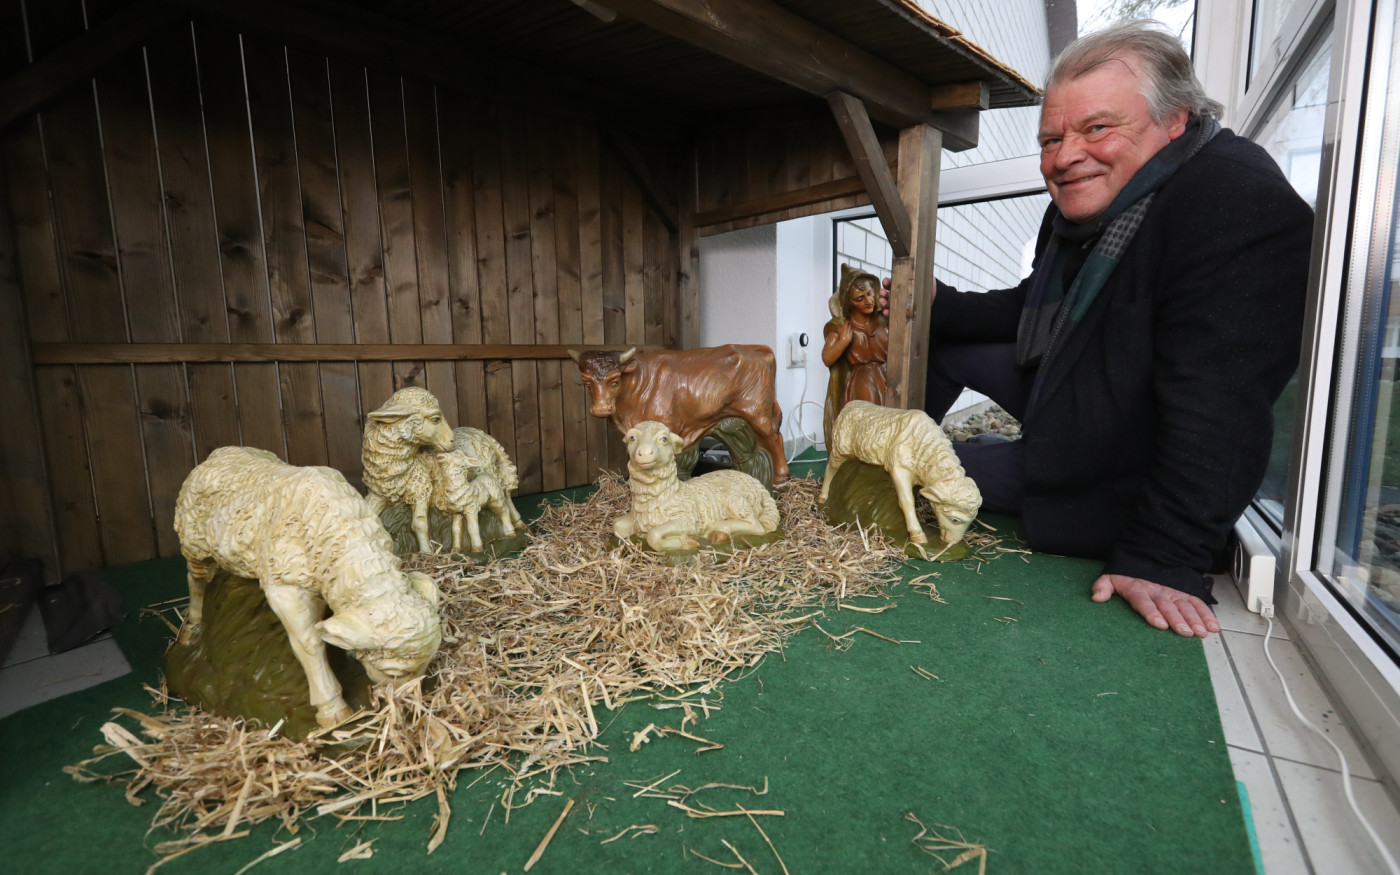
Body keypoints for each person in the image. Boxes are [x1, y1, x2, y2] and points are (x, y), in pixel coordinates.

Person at [885, 21, 1313, 637]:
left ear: (1176, 120)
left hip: (1118, 456)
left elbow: (1217, 400)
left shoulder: (1235, 199)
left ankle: (948, 462)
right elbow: (1035, 304)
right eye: (1051, 138)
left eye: (1096, 128)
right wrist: (941, 304)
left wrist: (1166, 552)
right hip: (1080, 388)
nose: (1062, 157)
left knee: (935, 468)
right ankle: (917, 445)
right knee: (942, 347)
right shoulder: (1090, 208)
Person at [822, 264, 890, 449]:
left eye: (869, 293)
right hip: (861, 383)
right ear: (849, 302)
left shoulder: (884, 320)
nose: (868, 300)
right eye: (860, 298)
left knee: (889, 425)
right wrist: (843, 341)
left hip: (886, 379)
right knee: (868, 427)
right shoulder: (843, 327)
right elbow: (827, 357)